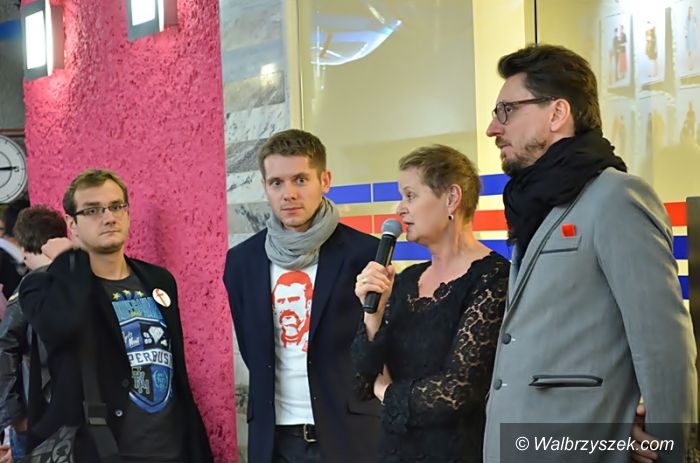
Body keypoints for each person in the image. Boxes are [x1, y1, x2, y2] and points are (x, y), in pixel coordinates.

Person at [482, 44, 697, 462]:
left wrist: (670, 448)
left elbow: (663, 346)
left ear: (557, 113)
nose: (493, 128)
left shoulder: (616, 197)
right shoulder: (533, 205)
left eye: (506, 110)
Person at [18, 169, 213, 462]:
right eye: (93, 210)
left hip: (172, 449)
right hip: (100, 450)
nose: (109, 217)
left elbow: (175, 367)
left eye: (116, 206)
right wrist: (69, 260)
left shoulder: (158, 279)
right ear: (72, 224)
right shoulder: (42, 286)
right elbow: (64, 325)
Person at [223, 129, 381, 463]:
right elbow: (253, 350)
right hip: (275, 440)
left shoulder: (366, 254)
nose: (289, 194)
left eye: (300, 180)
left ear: (325, 180)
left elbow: (380, 346)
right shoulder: (242, 262)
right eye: (277, 183)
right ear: (265, 187)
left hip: (348, 435)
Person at [351, 144, 509, 462]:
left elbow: (457, 391)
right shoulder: (407, 280)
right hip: (393, 451)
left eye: (410, 195)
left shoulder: (494, 278)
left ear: (451, 198)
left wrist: (385, 391)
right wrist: (373, 315)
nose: (399, 209)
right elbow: (360, 381)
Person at [0, 205, 68, 462]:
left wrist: (15, 415)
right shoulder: (76, 281)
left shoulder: (27, 290)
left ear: (22, 246)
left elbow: (4, 346)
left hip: (37, 413)